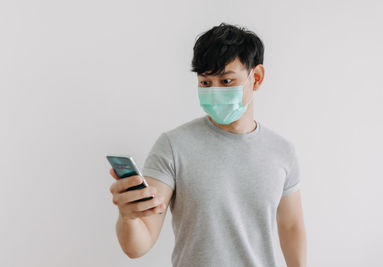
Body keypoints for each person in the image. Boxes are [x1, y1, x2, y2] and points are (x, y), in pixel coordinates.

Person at [109, 22, 307, 267]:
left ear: (255, 78)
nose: (214, 92)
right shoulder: (173, 146)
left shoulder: (282, 152)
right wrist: (128, 217)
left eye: (226, 81)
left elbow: (291, 226)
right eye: (205, 83)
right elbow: (137, 245)